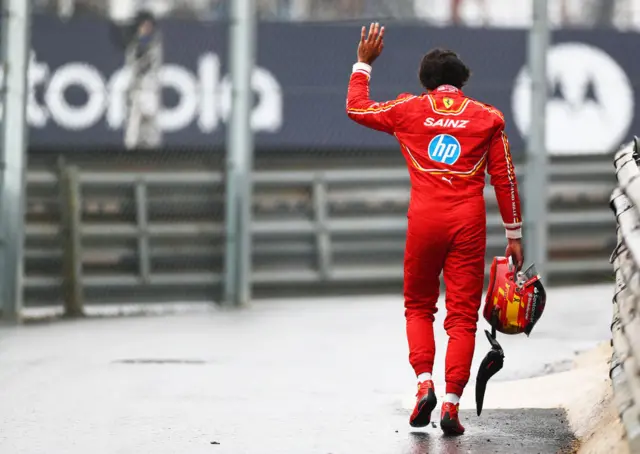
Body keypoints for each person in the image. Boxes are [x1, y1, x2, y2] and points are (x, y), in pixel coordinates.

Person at [345, 23, 524, 435]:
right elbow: (505, 180)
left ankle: (423, 384)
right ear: (462, 81)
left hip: (423, 220)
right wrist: (513, 234)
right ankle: (451, 404)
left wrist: (363, 63)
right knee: (461, 316)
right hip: (467, 223)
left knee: (419, 306)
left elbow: (357, 107)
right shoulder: (488, 118)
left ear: (426, 82)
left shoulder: (409, 110)